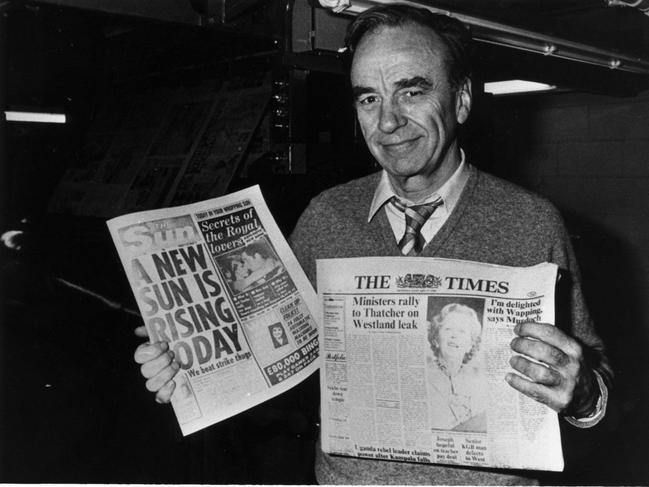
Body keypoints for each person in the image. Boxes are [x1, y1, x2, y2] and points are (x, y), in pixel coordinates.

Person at [134, 4, 611, 484]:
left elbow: (594, 379)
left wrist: (585, 393)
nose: (387, 122)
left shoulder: (530, 222)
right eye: (368, 98)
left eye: (411, 91)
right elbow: (279, 370)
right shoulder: (326, 216)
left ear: (461, 99)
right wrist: (194, 371)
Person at [426, 303, 486, 432]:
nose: (454, 335)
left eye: (462, 331)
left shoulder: (478, 383)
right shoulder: (425, 376)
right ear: (436, 339)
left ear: (470, 344)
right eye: (448, 329)